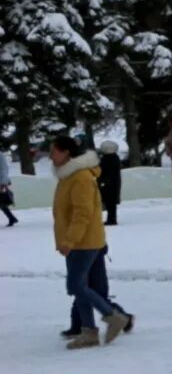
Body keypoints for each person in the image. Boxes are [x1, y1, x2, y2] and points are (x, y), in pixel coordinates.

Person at [49, 135, 134, 348]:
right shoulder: (69, 176)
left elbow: (83, 213)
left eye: (54, 151)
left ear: (66, 152)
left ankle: (112, 316)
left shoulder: (79, 177)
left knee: (76, 286)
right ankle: (89, 331)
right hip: (87, 241)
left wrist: (69, 239)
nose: (50, 155)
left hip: (83, 242)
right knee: (86, 287)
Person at [97, 140, 122, 225]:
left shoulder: (107, 159)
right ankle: (111, 218)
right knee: (111, 202)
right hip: (113, 183)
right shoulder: (115, 158)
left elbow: (102, 171)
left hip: (108, 183)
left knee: (109, 202)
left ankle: (111, 219)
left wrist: (102, 181)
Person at [1, 151, 18, 227]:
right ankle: (11, 218)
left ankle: (11, 218)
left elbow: (4, 169)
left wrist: (3, 183)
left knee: (1, 202)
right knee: (1, 202)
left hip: (1, 181)